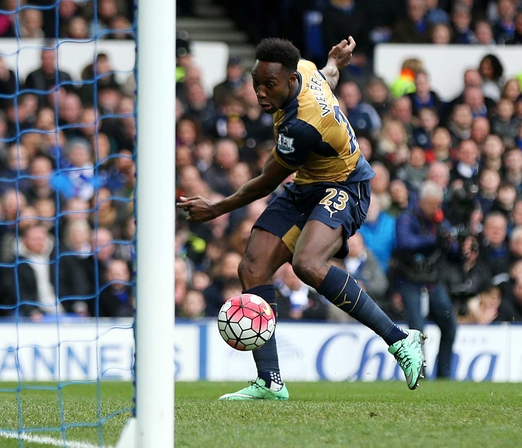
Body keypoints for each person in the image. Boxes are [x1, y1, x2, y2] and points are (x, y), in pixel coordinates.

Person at [178, 37, 426, 400]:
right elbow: (325, 76)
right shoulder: (306, 69)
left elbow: (265, 182)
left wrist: (216, 208)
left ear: (290, 80)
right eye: (256, 82)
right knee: (253, 267)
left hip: (346, 185)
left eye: (269, 85)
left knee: (307, 263)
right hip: (309, 183)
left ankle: (401, 340)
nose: (260, 92)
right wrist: (334, 61)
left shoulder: (302, 126)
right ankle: (270, 381)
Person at [393, 181, 458, 379]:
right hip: (410, 282)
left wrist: (451, 242)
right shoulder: (407, 218)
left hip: (432, 283)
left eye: (438, 204)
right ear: (422, 202)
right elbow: (405, 243)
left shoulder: (439, 221)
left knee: (449, 326)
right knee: (417, 330)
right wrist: (434, 241)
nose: (436, 209)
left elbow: (452, 250)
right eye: (433, 204)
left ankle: (444, 375)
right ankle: (419, 374)